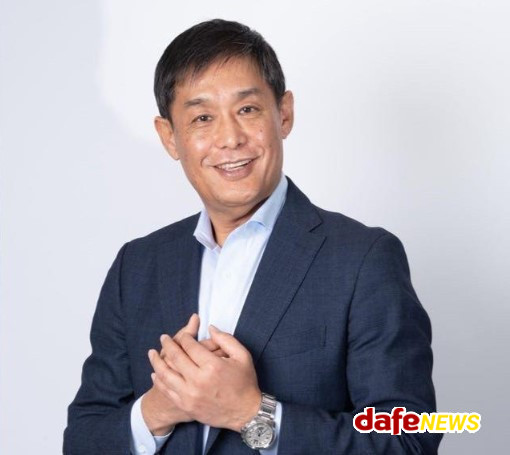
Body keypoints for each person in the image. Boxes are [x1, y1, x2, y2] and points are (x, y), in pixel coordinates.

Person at [63, 19, 441, 455]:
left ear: (284, 113)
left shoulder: (362, 260)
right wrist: (157, 410)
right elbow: (83, 440)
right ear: (170, 137)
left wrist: (251, 413)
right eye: (202, 117)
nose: (229, 138)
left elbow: (409, 440)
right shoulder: (137, 266)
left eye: (247, 110)